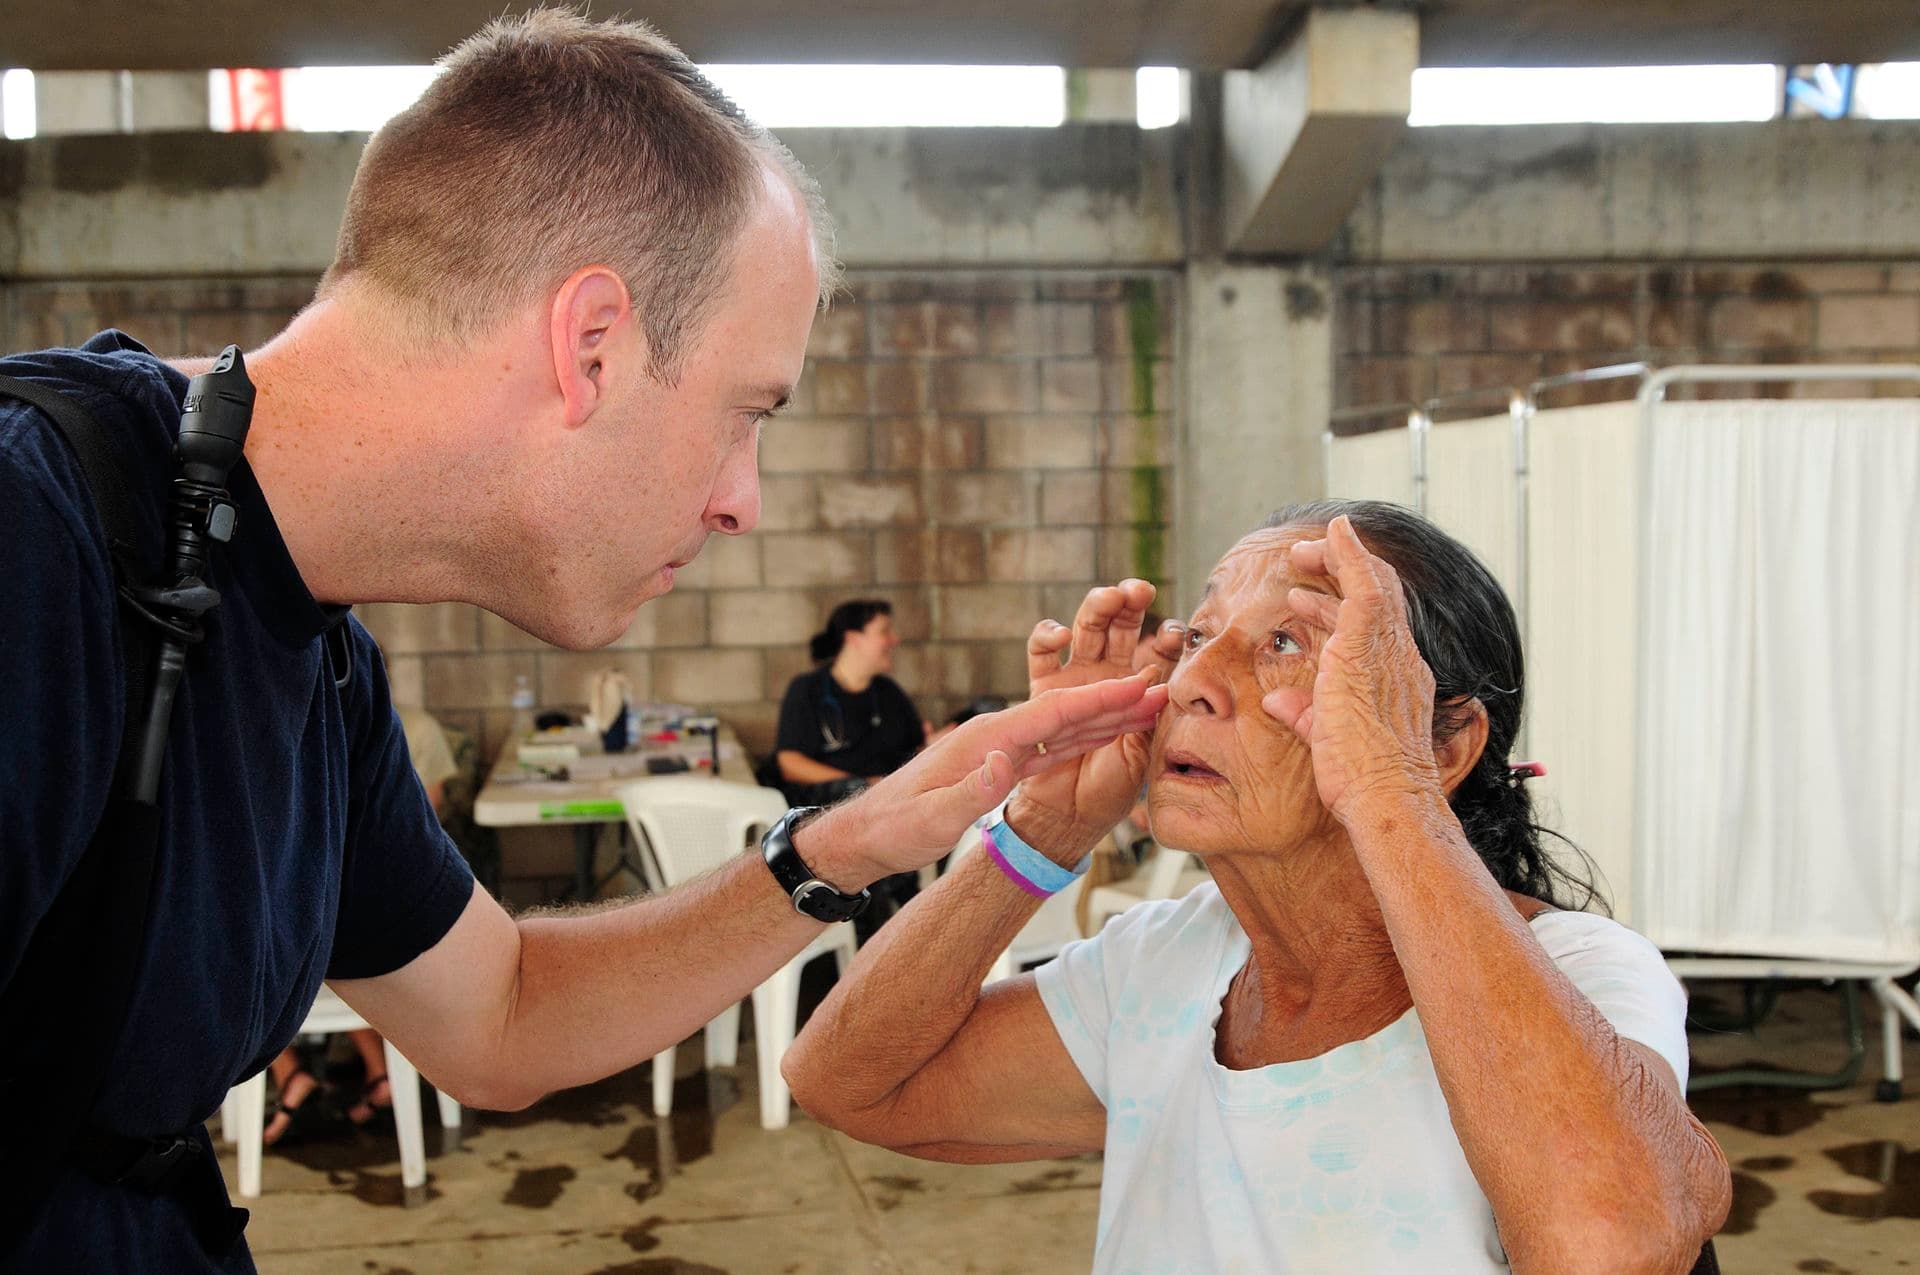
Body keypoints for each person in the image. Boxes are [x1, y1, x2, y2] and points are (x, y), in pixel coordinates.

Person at [0, 11, 1167, 1271]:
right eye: (746, 412)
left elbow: (500, 1019)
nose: (743, 500)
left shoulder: (316, 655)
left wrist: (856, 840)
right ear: (591, 343)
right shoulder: (33, 542)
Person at [784, 503, 1733, 1273]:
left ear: (1444, 747)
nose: (1193, 678)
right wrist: (1043, 827)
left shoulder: (1578, 975)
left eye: (1285, 641)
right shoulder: (1163, 965)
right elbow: (847, 1081)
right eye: (1198, 634)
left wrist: (1390, 792)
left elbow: (1609, 1245)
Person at [260, 706, 461, 1145]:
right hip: (348, 904)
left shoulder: (311, 728)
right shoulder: (306, 727)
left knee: (301, 949)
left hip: (370, 901)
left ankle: (302, 1074)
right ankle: (372, 1074)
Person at [773, 600, 924, 806]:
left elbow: (915, 747)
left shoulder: (889, 692)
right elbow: (790, 764)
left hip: (889, 806)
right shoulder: (807, 690)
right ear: (853, 638)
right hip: (830, 811)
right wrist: (860, 785)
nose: (894, 639)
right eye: (884, 631)